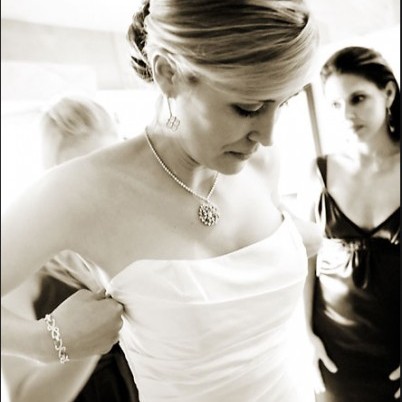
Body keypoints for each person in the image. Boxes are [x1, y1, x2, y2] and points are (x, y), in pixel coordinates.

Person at [2, 1, 321, 401]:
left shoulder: (262, 162)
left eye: (283, 102)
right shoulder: (82, 190)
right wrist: (46, 342)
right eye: (247, 108)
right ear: (168, 74)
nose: (269, 135)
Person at [2, 95, 138, 402]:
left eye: (108, 166)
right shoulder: (24, 270)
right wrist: (83, 342)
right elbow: (26, 398)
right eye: (76, 176)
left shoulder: (142, 242)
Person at [300, 46, 400, 402]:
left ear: (388, 93)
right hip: (334, 352)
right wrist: (306, 335)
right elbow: (305, 260)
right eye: (335, 104)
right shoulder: (320, 171)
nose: (346, 114)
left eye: (357, 99)